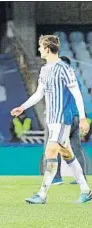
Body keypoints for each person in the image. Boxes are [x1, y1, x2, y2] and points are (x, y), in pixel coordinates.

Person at [11, 35, 91, 204]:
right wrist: (23, 107)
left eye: (40, 46)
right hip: (52, 120)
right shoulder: (44, 69)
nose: (39, 49)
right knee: (67, 154)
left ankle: (42, 194)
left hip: (63, 118)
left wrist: (83, 118)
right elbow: (39, 93)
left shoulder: (64, 68)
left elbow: (76, 93)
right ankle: (86, 190)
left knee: (50, 151)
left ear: (47, 48)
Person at [45, 56, 88, 185]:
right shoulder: (76, 80)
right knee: (76, 149)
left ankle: (56, 177)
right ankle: (80, 177)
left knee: (54, 146)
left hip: (62, 117)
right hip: (75, 117)